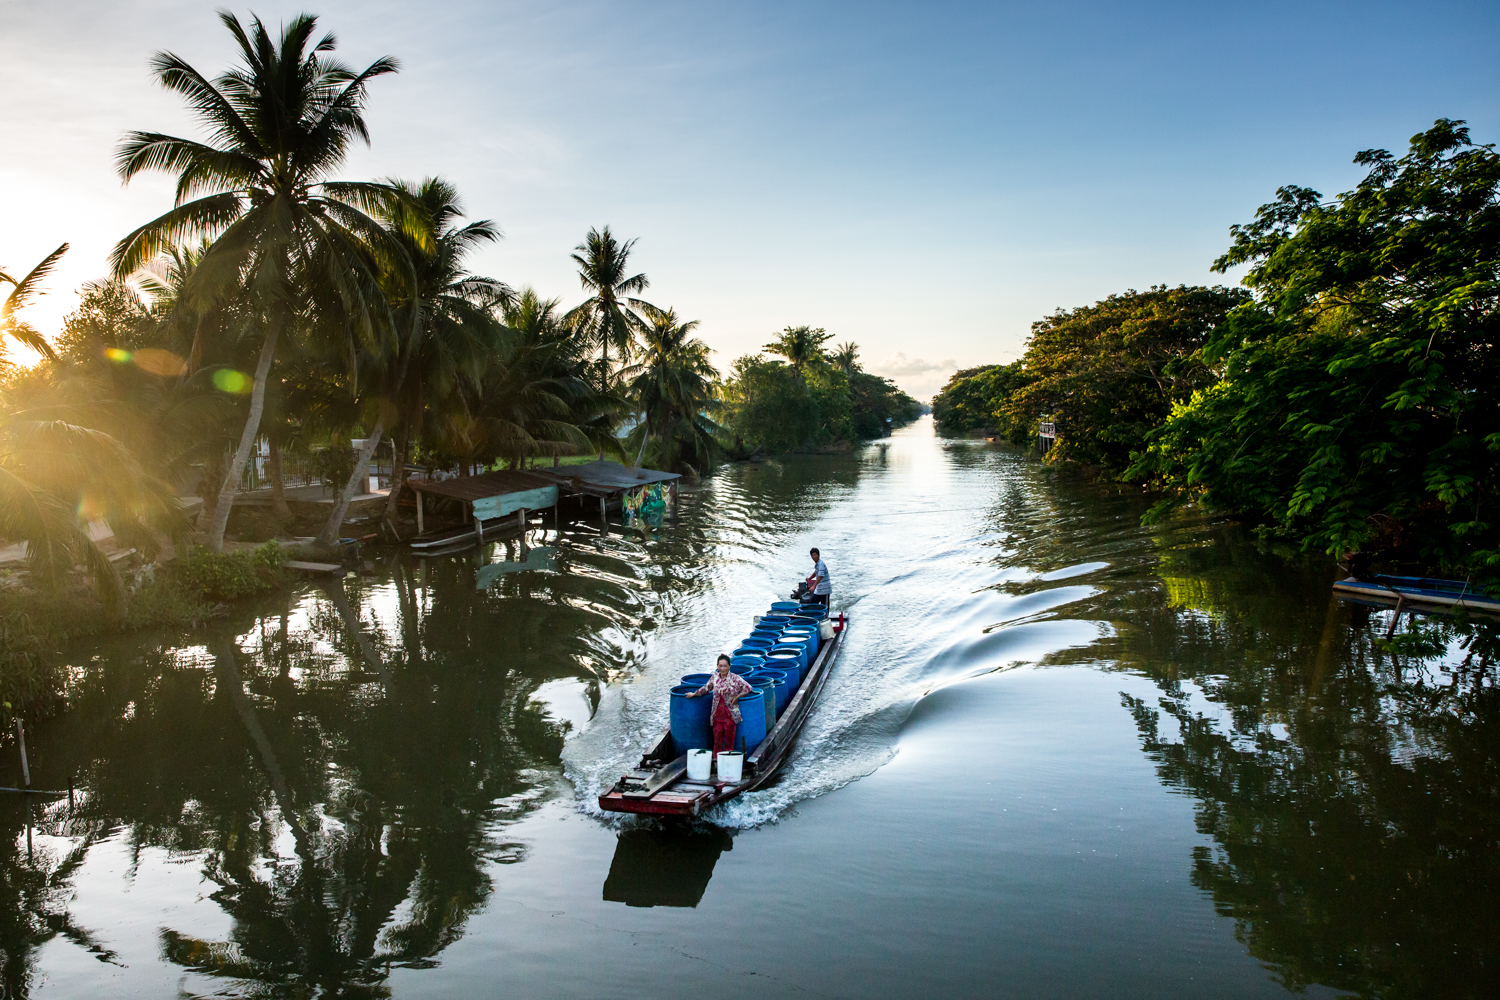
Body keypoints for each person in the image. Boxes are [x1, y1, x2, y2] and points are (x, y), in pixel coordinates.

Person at [688, 654, 753, 757]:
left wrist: (737, 697)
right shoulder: (715, 677)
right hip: (717, 716)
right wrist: (694, 694)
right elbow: (706, 688)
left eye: (725, 666)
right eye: (720, 666)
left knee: (729, 744)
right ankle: (716, 765)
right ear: (717, 666)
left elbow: (748, 688)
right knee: (717, 743)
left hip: (730, 716)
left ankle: (727, 766)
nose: (722, 668)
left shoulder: (735, 678)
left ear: (729, 666)